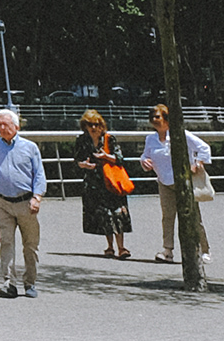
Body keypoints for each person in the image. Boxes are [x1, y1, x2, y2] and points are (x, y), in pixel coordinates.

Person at [0, 108, 45, 298]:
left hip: (26, 202)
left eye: (5, 124)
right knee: (6, 242)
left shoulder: (30, 147)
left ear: (16, 126)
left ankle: (30, 282)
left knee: (30, 244)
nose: (1, 128)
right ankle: (8, 282)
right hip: (2, 201)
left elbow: (39, 175)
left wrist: (37, 197)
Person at [142, 103, 211, 265]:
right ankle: (168, 250)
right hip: (164, 182)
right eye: (152, 117)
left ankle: (204, 250)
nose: (154, 120)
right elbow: (145, 155)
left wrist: (197, 163)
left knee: (193, 216)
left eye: (157, 117)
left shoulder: (180, 134)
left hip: (183, 181)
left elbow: (204, 148)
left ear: (166, 118)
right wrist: (144, 161)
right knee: (167, 217)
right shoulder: (150, 139)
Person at [76, 109, 135, 260]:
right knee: (104, 215)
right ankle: (110, 247)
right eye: (90, 125)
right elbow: (77, 160)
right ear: (85, 126)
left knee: (117, 213)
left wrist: (105, 156)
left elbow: (120, 158)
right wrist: (84, 165)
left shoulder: (109, 139)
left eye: (96, 124)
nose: (93, 128)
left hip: (112, 181)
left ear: (101, 126)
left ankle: (121, 247)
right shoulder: (82, 140)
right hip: (94, 183)